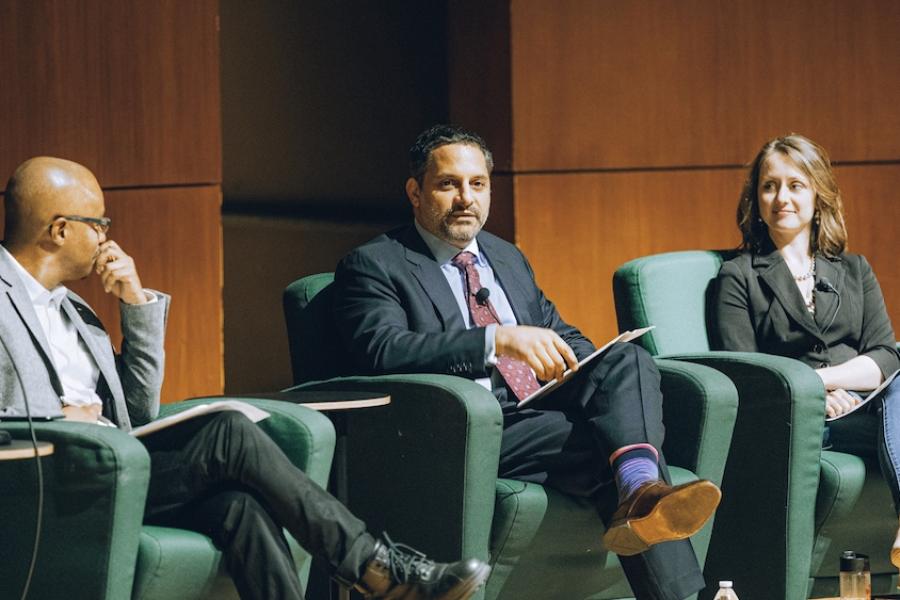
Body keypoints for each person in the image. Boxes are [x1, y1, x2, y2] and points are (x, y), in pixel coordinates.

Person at [0, 156, 490, 600]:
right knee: (229, 431)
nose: (108, 237)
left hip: (120, 467)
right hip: (52, 478)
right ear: (59, 230)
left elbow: (139, 411)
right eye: (99, 224)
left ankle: (375, 570)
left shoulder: (78, 311)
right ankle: (374, 567)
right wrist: (54, 418)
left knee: (240, 509)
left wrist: (136, 307)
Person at [332, 125, 722, 600]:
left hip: (536, 403)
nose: (465, 198)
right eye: (448, 184)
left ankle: (639, 490)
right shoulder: (376, 263)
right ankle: (677, 568)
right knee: (611, 445)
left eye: (478, 184)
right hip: (465, 424)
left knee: (628, 360)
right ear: (415, 192)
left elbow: (558, 330)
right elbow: (383, 350)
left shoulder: (505, 256)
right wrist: (494, 340)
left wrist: (589, 358)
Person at [712, 134, 900, 567]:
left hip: (869, 406)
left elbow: (887, 357)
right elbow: (747, 372)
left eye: (796, 185)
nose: (782, 197)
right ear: (755, 199)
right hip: (804, 417)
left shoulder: (854, 269)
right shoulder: (738, 276)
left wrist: (825, 379)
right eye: (769, 185)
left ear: (818, 194)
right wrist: (813, 393)